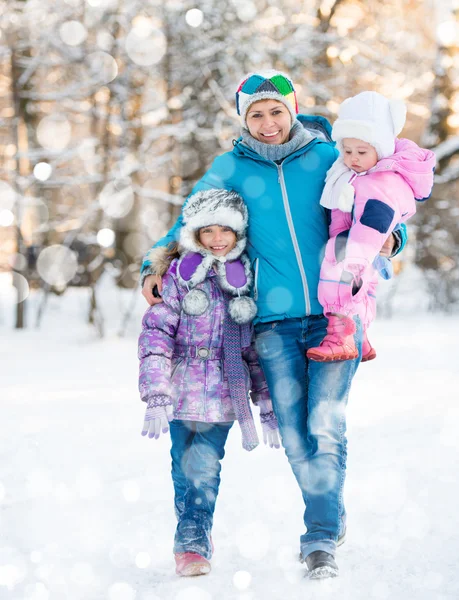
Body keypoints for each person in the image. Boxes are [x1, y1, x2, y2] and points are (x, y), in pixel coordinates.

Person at [140, 70, 406, 579]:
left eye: (276, 111)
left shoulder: (330, 157)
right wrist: (155, 264)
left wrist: (394, 241)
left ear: (293, 109)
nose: (267, 122)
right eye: (256, 114)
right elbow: (189, 219)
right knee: (295, 431)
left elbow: (384, 200)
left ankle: (320, 537)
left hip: (338, 317)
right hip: (274, 324)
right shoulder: (230, 167)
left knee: (325, 427)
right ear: (244, 119)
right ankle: (328, 511)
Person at [138, 188, 280, 578]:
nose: (218, 239)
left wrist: (265, 405)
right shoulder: (179, 277)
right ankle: (191, 530)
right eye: (208, 231)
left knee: (204, 464)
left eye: (226, 231)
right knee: (181, 466)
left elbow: (253, 350)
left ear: (238, 234)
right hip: (181, 389)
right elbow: (156, 336)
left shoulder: (244, 280)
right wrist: (155, 394)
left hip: (223, 391)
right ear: (195, 235)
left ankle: (193, 540)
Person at [306, 91, 435, 363]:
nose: (352, 157)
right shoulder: (358, 175)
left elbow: (373, 226)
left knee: (339, 279)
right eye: (347, 151)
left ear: (382, 148)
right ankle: (361, 336)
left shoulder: (377, 183)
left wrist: (353, 259)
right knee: (363, 293)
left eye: (361, 152)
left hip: (355, 252)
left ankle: (340, 336)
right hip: (362, 254)